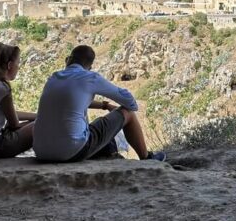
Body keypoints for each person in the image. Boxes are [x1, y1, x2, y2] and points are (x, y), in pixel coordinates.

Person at [33, 44, 165, 163]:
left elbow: (71, 101)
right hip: (71, 151)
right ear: (89, 67)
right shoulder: (90, 77)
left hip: (41, 152)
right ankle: (146, 158)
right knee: (128, 113)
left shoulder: (53, 78)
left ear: (68, 59)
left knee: (91, 126)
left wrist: (104, 105)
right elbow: (131, 104)